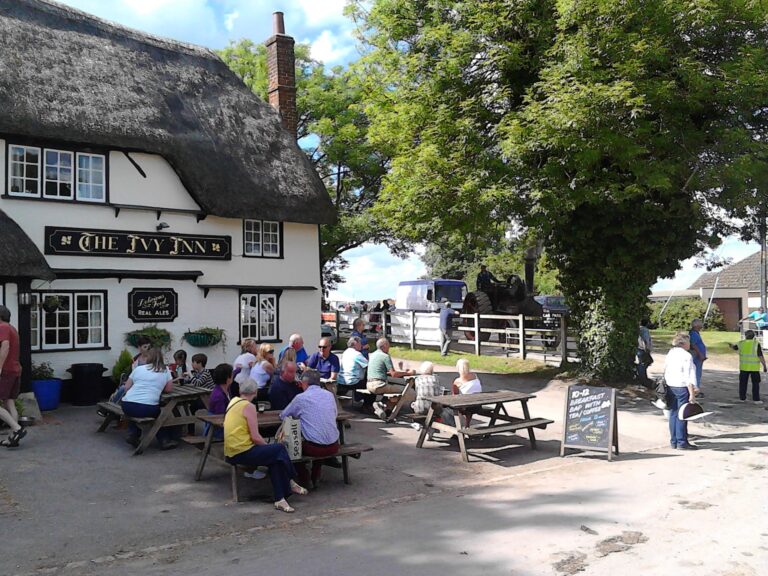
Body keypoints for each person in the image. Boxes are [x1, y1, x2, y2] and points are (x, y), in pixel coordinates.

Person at [224, 378, 307, 513]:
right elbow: (255, 437)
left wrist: (268, 448)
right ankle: (291, 479)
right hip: (242, 451)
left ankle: (280, 499)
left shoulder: (233, 402)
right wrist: (267, 446)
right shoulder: (248, 407)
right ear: (255, 392)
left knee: (275, 458)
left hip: (231, 451)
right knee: (279, 449)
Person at [280, 369, 339, 490]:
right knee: (318, 436)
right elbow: (335, 414)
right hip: (334, 445)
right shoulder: (329, 395)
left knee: (293, 447)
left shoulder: (301, 398)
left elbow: (283, 415)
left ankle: (304, 478)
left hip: (314, 448)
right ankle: (315, 475)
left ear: (304, 383)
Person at [121, 347, 177, 450]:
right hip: (147, 407)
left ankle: (133, 434)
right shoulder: (165, 371)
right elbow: (169, 389)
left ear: (148, 357)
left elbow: (126, 388)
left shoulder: (138, 369)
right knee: (159, 415)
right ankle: (164, 440)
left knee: (134, 410)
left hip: (127, 405)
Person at [366, 338, 416, 420]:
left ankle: (384, 407)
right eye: (388, 345)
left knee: (394, 389)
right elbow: (394, 374)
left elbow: (383, 371)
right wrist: (408, 373)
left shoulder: (372, 355)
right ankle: (384, 406)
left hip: (369, 384)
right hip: (379, 385)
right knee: (408, 391)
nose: (389, 347)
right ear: (384, 346)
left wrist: (401, 372)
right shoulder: (385, 356)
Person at [663, 332, 698, 450]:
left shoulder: (670, 353)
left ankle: (674, 441)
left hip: (670, 386)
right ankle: (682, 441)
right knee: (682, 415)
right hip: (682, 387)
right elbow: (689, 376)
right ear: (683, 343)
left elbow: (666, 369)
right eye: (688, 342)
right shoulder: (686, 356)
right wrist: (692, 393)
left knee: (673, 413)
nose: (690, 344)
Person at [0, 306, 25, 448]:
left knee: (7, 403)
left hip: (6, 371)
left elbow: (5, 347)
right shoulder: (12, 328)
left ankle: (17, 429)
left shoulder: (2, 327)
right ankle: (13, 438)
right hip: (15, 370)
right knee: (9, 403)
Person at [729, 330, 766, 404]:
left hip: (744, 367)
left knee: (743, 383)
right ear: (754, 336)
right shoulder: (756, 344)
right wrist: (764, 365)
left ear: (745, 336)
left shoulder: (741, 343)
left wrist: (730, 345)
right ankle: (756, 399)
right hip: (754, 368)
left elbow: (734, 348)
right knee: (755, 384)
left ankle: (742, 398)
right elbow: (760, 356)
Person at [689, 319, 706, 396]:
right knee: (696, 373)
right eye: (700, 324)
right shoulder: (694, 334)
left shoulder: (695, 333)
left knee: (697, 372)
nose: (701, 326)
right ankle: (695, 390)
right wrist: (700, 354)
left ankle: (696, 389)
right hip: (696, 356)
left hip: (697, 356)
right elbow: (693, 345)